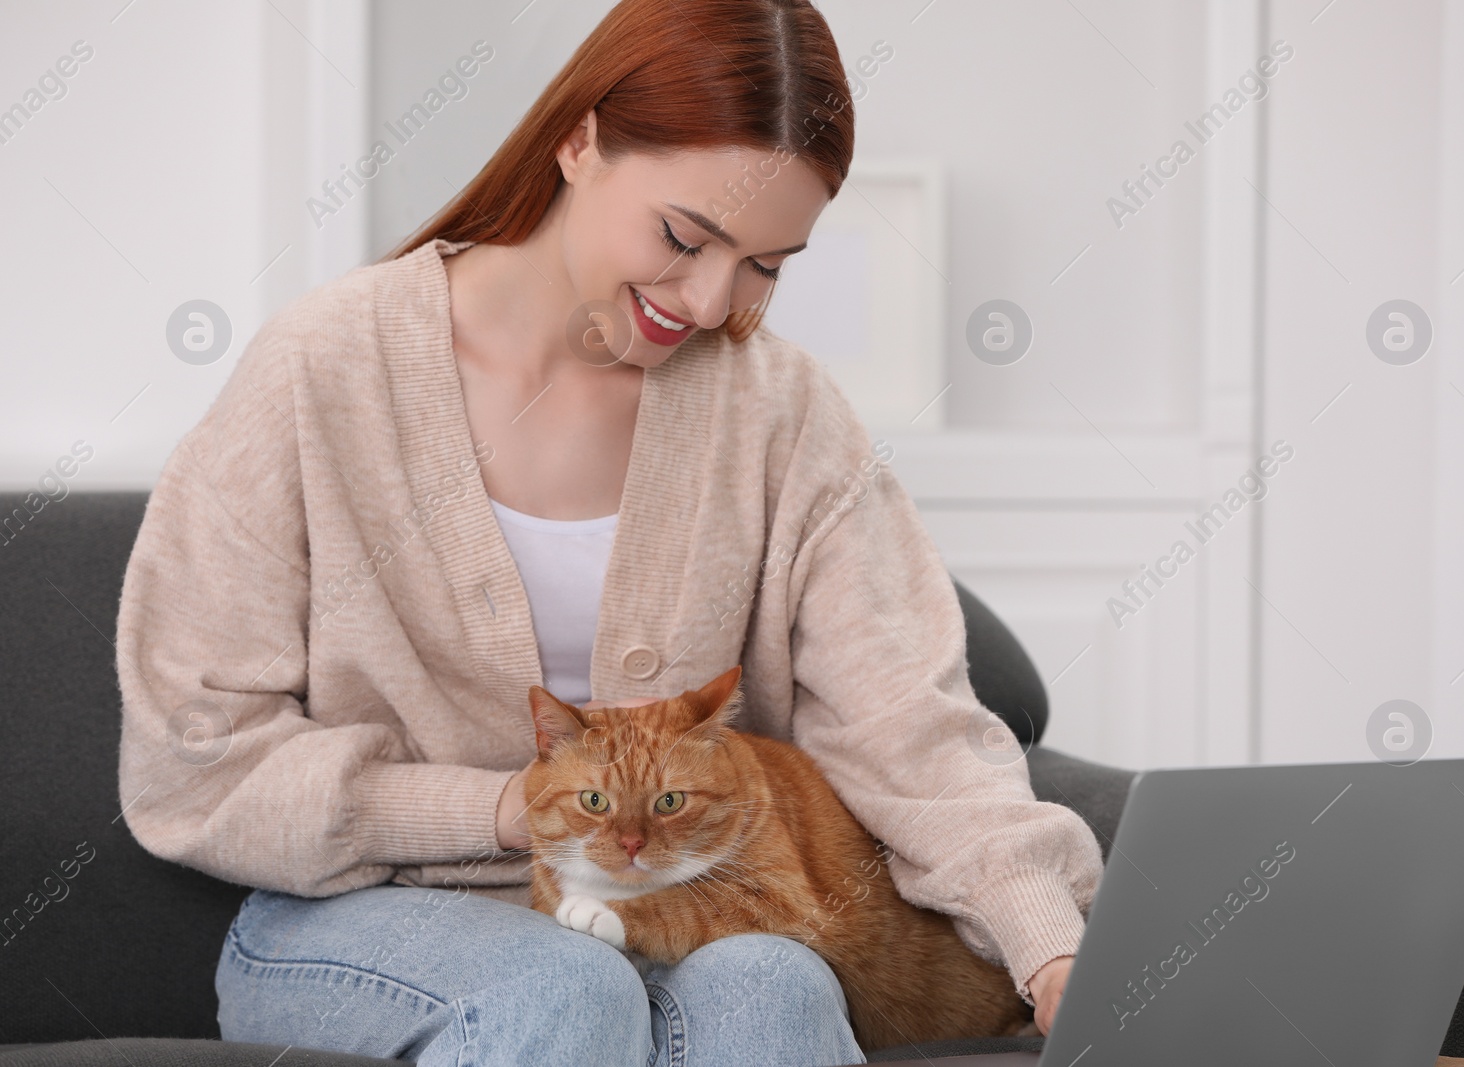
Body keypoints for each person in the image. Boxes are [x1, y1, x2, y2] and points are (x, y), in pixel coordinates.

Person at [113, 1, 1103, 1063]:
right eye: (685, 236)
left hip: (688, 902)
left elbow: (912, 730)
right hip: (355, 913)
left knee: (774, 983)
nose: (714, 299)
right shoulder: (321, 368)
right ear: (579, 140)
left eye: (767, 264)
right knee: (565, 984)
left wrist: (1052, 950)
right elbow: (194, 765)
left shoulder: (783, 413)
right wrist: (502, 810)